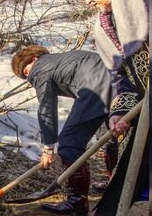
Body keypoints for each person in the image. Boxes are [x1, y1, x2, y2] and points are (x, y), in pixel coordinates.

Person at [11, 45, 116, 216]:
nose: (28, 77)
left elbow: (46, 107)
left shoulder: (40, 68)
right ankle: (116, 182)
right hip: (117, 81)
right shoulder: (61, 60)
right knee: (111, 137)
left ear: (33, 59)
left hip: (95, 86)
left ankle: (77, 201)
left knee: (69, 144)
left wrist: (48, 148)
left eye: (25, 72)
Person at [70, 0, 149, 215]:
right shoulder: (107, 24)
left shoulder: (147, 5)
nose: (86, 0)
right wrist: (119, 111)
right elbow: (122, 77)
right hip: (144, 113)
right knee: (122, 189)